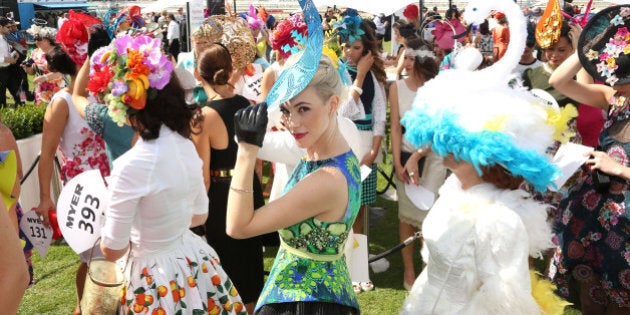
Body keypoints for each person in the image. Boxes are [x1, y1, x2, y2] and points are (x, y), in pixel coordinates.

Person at [95, 34, 246, 314]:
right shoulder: (185, 147)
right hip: (192, 261)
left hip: (152, 274)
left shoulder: (131, 166)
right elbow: (200, 215)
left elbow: (112, 249)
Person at [227, 51, 361, 314]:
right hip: (313, 296)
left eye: (304, 109)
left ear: (333, 104)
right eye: (287, 110)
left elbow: (238, 226)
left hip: (306, 303)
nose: (293, 122)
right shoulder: (327, 153)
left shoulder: (327, 179)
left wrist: (245, 152)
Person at [547, 5, 630, 313]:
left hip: (626, 226)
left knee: (622, 303)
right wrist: (588, 45)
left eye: (622, 75)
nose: (613, 81)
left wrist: (618, 167)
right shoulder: (614, 98)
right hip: (597, 214)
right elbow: (559, 81)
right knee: (590, 297)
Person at [34, 45, 110, 315]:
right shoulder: (61, 102)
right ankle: (83, 308)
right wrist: (45, 198)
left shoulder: (103, 94)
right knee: (93, 259)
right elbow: (46, 155)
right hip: (83, 192)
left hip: (113, 186)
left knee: (112, 255)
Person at [191, 43, 265, 315]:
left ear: (200, 76)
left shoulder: (203, 117)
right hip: (248, 188)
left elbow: (202, 178)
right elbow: (257, 159)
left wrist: (198, 221)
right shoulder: (245, 103)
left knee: (226, 272)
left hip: (221, 199)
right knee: (250, 268)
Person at [388, 39, 445, 291]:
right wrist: (399, 161)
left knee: (430, 217)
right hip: (404, 158)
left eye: (412, 58)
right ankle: (409, 269)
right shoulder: (397, 87)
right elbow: (395, 127)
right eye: (405, 57)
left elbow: (439, 129)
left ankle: (427, 270)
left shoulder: (438, 88)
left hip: (432, 159)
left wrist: (417, 156)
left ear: (423, 60)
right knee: (406, 217)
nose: (408, 63)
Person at [335, 9, 387, 236]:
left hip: (366, 147)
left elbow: (379, 116)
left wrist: (375, 150)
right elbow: (343, 113)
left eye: (355, 47)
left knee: (360, 206)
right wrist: (360, 77)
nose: (349, 52)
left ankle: (359, 254)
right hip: (343, 144)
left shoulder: (374, 76)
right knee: (342, 205)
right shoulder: (337, 73)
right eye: (345, 46)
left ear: (366, 49)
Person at [22, 25, 65, 105]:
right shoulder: (35, 52)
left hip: (57, 88)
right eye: (35, 39)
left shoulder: (58, 51)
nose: (37, 41)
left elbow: (61, 72)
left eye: (39, 38)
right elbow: (32, 72)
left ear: (48, 39)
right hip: (41, 89)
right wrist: (27, 68)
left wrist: (45, 77)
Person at [0, 17, 18, 108]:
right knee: (1, 100)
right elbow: (3, 57)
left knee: (18, 93)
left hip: (9, 70)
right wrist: (7, 59)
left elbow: (5, 54)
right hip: (1, 72)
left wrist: (14, 54)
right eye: (8, 27)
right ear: (0, 27)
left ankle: (23, 112)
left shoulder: (4, 38)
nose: (10, 29)